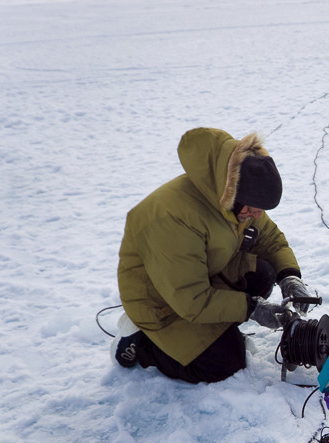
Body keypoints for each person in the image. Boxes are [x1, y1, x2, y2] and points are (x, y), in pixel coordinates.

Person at [115, 127, 306, 384]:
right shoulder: (173, 218)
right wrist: (251, 308)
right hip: (162, 304)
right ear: (232, 195)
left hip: (201, 277)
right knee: (225, 362)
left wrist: (290, 277)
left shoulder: (236, 197)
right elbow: (190, 300)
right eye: (253, 208)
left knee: (264, 273)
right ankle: (143, 343)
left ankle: (218, 328)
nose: (258, 215)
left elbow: (271, 241)